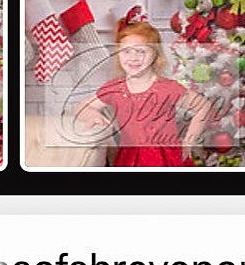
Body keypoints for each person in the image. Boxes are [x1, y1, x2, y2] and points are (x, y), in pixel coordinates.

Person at [73, 10, 211, 167]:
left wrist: (188, 141)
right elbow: (81, 106)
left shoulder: (166, 88)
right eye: (126, 51)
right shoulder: (116, 88)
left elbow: (203, 106)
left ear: (154, 55)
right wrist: (91, 114)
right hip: (130, 160)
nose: (133, 57)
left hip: (167, 160)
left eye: (141, 51)